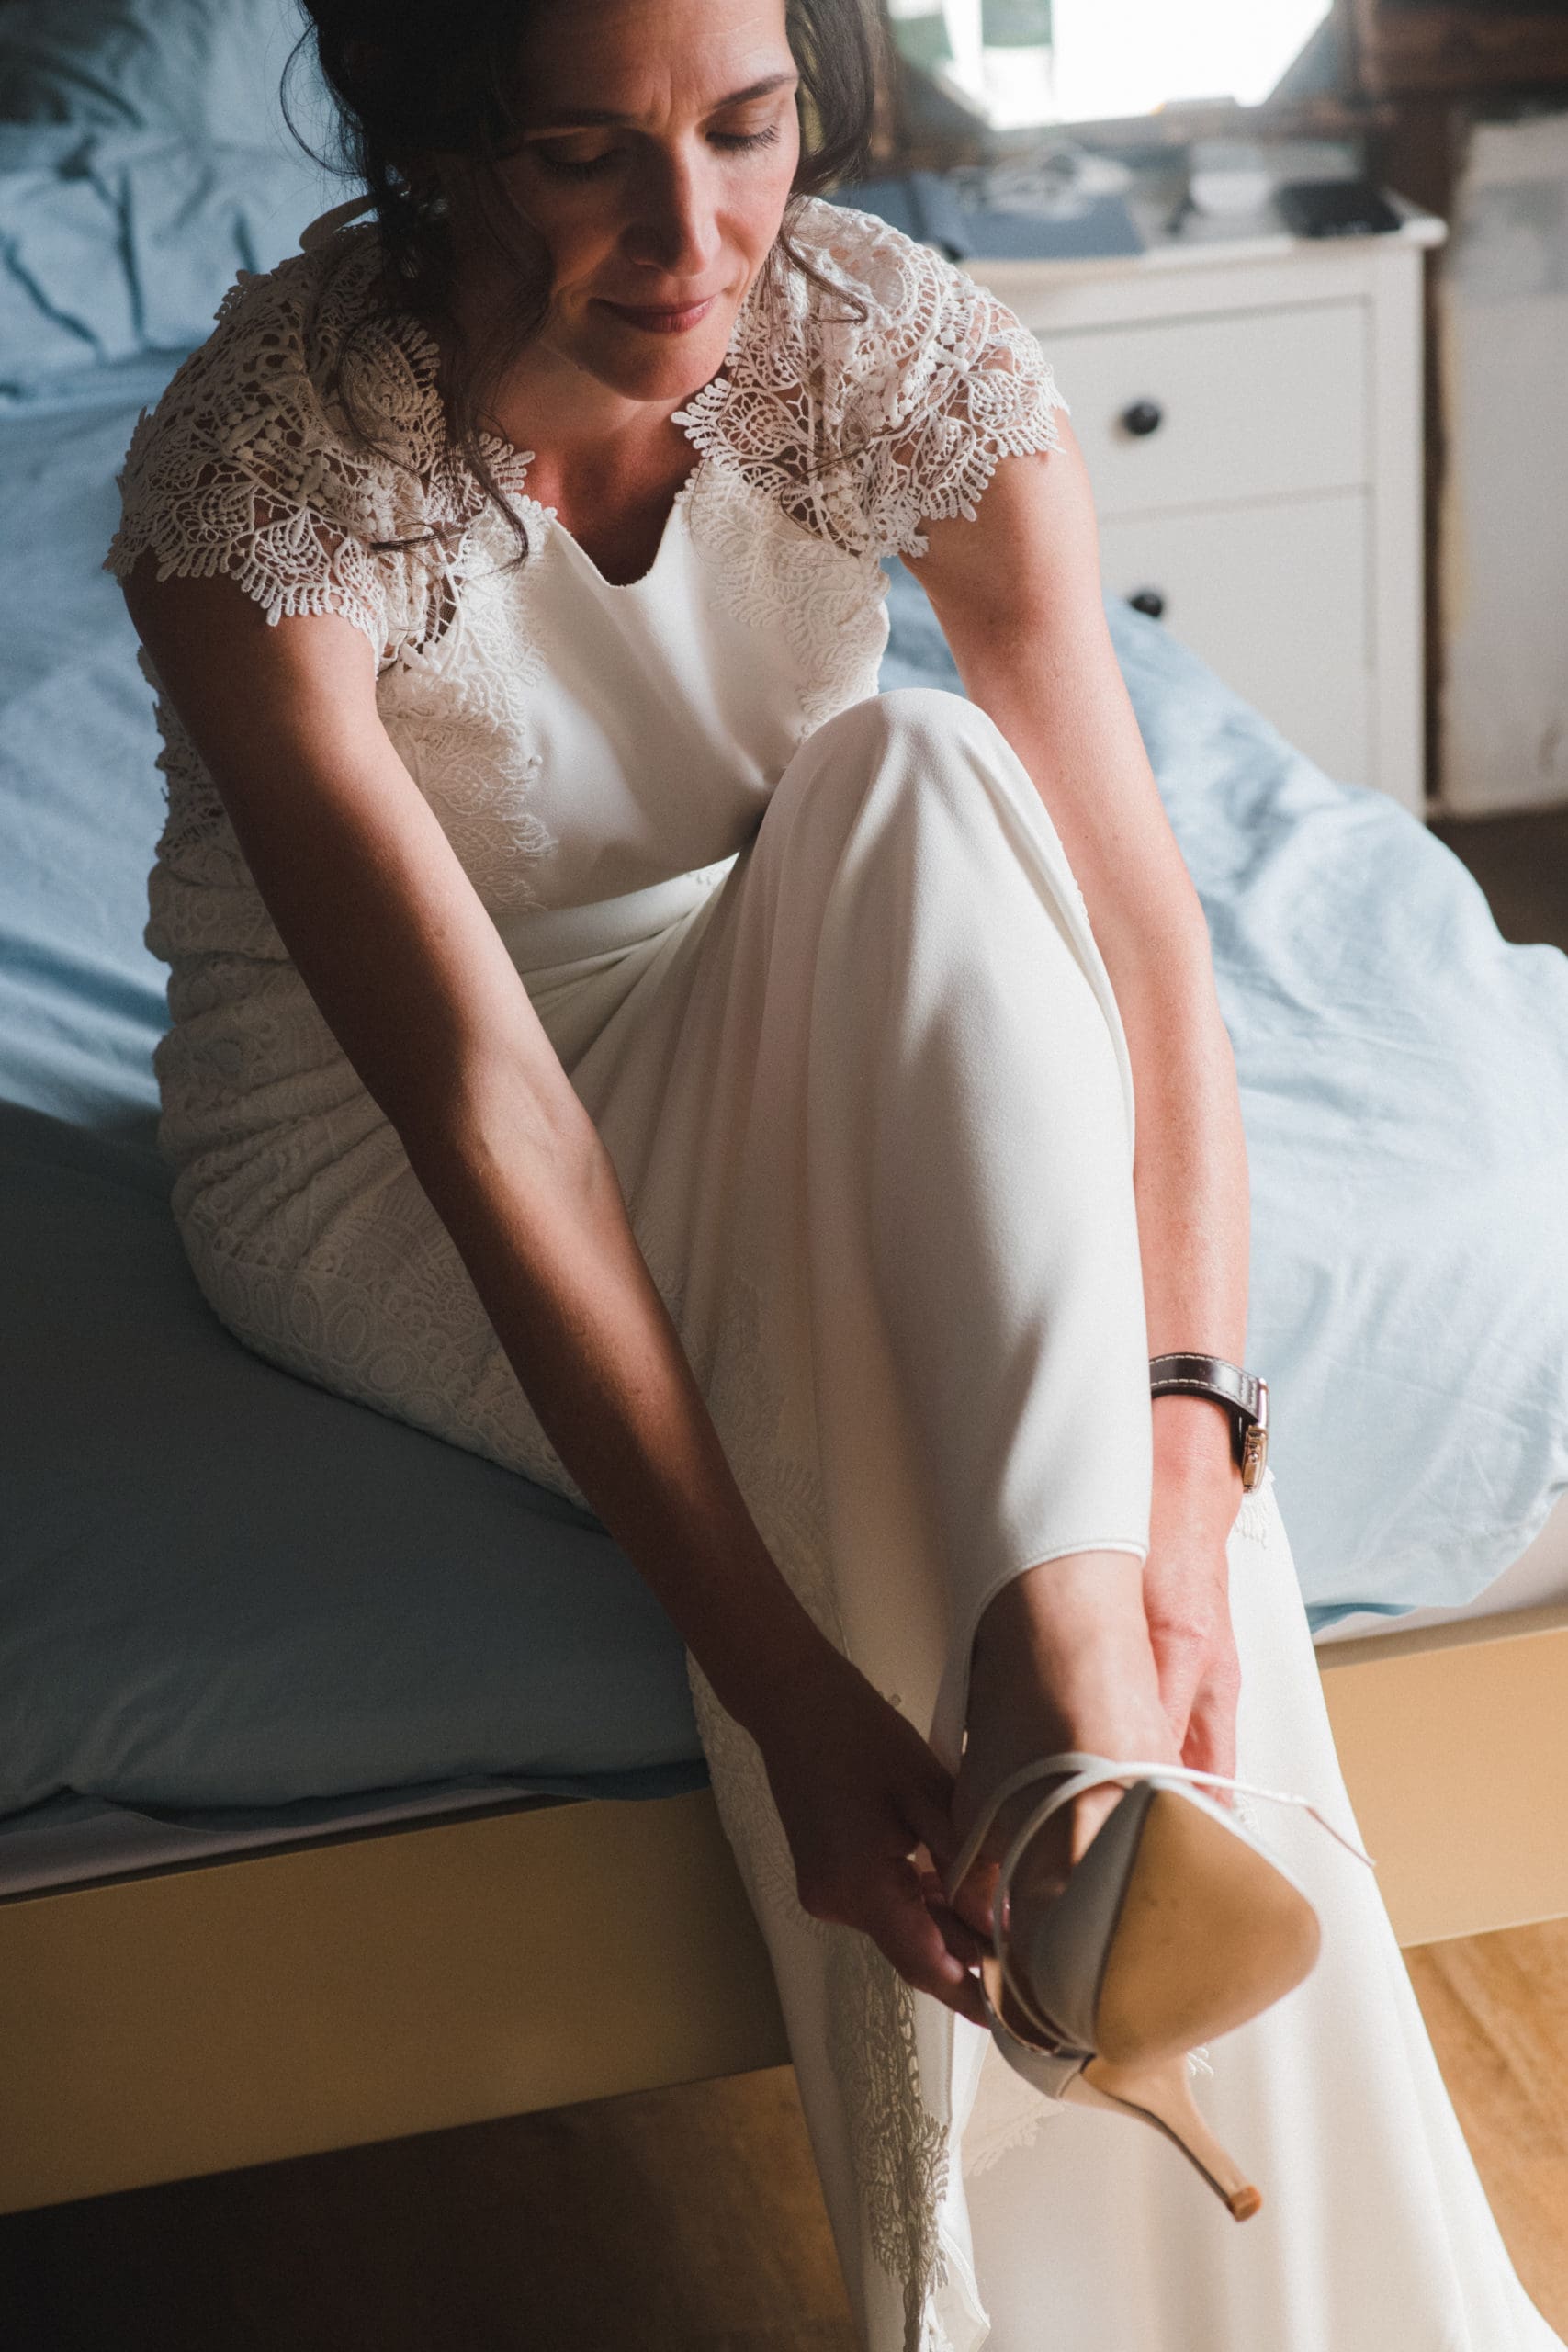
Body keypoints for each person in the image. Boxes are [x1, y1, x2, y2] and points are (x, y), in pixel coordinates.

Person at [107, 1, 1563, 2345]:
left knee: (913, 781)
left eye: (749, 130)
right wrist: (784, 1688)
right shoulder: (264, 481)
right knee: (912, 1319)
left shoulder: (892, 354)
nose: (691, 239)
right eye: (586, 158)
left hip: (760, 980)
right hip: (380, 1140)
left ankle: (1064, 1683)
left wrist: (1184, 1448)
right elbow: (480, 1110)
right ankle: (1081, 1973)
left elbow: (1137, 938)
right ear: (446, 148)